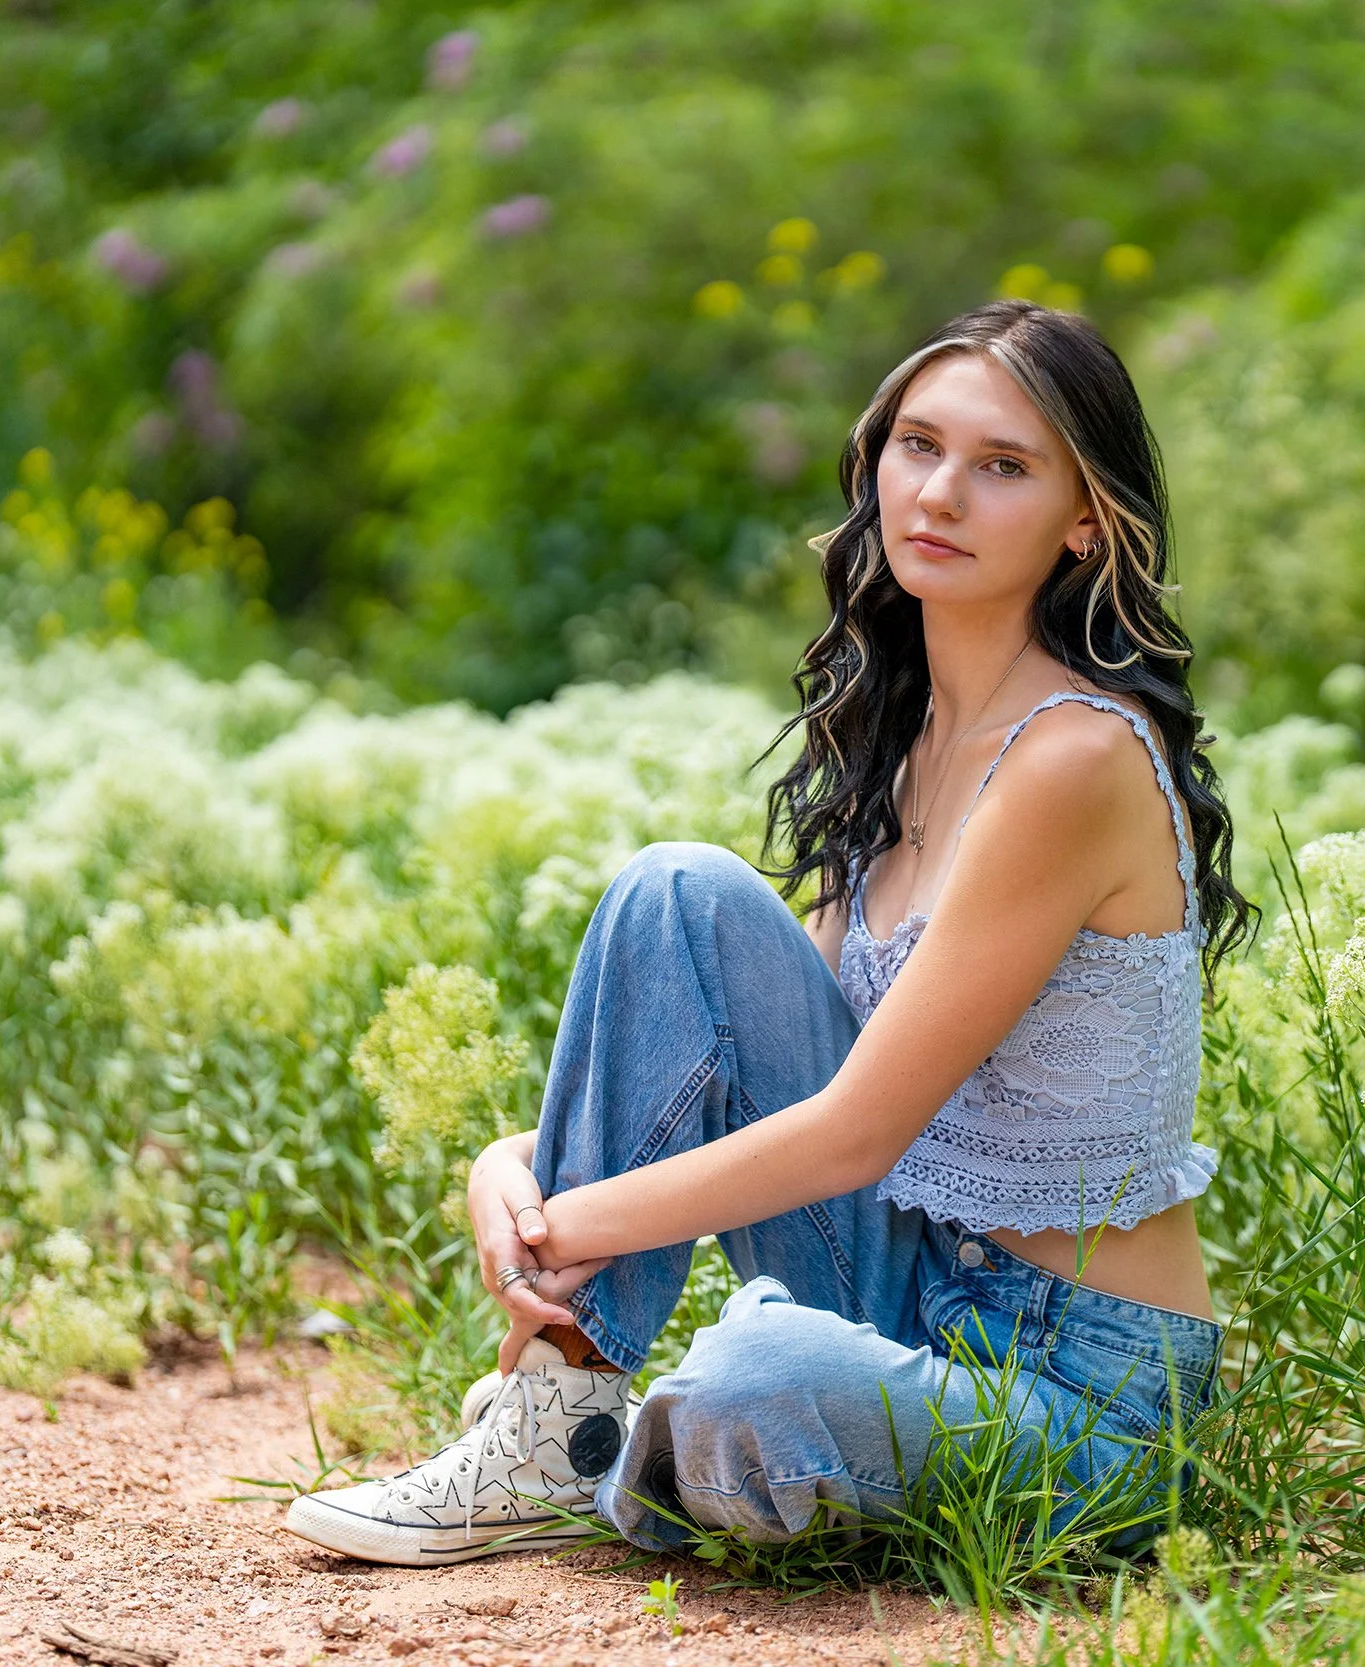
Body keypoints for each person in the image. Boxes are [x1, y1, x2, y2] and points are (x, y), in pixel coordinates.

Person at [284, 299, 1254, 1567]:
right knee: (677, 890)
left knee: (756, 1368)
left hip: (1084, 1396)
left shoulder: (1073, 757)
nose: (943, 492)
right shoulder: (900, 745)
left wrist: (567, 1227)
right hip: (911, 1281)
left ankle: (621, 1440)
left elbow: (856, 1127)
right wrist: (511, 1167)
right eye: (919, 445)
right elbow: (737, 1063)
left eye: (1002, 466)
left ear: (1085, 521)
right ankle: (559, 1427)